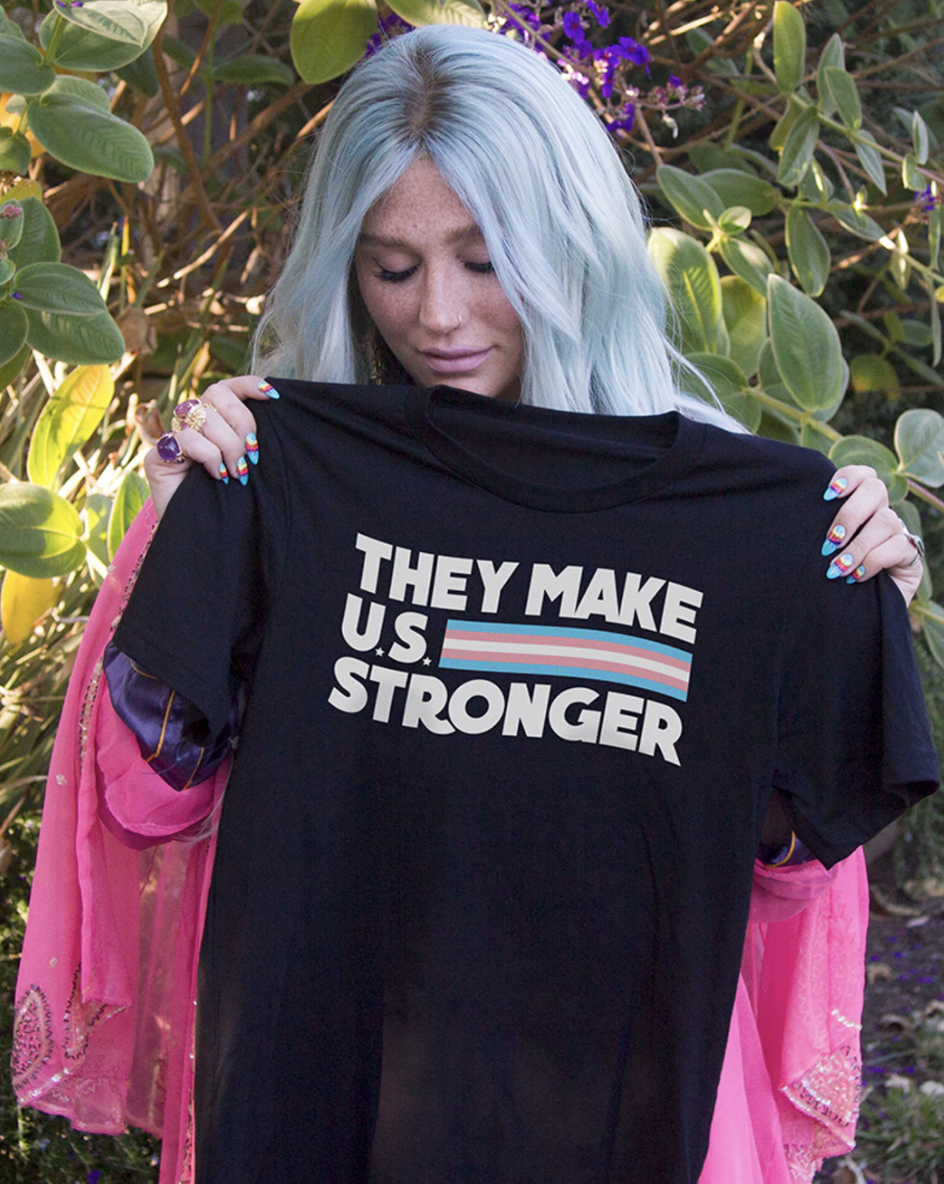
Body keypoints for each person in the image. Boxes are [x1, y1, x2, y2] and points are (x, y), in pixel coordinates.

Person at [13, 24, 937, 1184]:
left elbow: (786, 867)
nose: (436, 316)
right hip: (334, 1102)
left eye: (484, 259)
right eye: (391, 268)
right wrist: (183, 547)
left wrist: (839, 622)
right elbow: (150, 800)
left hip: (626, 1116)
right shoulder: (282, 478)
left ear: (571, 247)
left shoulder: (732, 522)